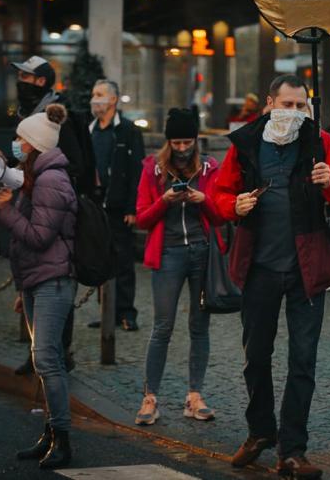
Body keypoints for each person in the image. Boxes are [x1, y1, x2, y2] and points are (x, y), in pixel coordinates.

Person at [213, 74, 330, 479]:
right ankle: (260, 431)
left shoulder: (320, 142)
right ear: (269, 103)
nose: (293, 113)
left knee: (303, 360)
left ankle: (292, 449)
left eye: (300, 106)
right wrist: (234, 205)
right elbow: (219, 195)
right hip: (259, 265)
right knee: (256, 355)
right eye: (286, 105)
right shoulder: (245, 143)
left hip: (306, 268)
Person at [0, 56, 94, 376]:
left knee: (55, 275)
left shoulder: (58, 115)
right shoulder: (29, 113)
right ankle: (41, 353)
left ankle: (58, 354)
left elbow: (74, 165)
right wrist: (7, 162)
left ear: (41, 82)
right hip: (34, 203)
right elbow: (30, 161)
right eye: (18, 75)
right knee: (33, 276)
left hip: (55, 210)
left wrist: (39, 184)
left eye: (26, 76)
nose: (20, 81)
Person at [0, 104, 78, 469]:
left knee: (47, 359)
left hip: (53, 279)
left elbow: (39, 237)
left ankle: (62, 439)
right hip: (38, 278)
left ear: (33, 144)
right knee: (44, 359)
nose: (16, 143)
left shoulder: (50, 180)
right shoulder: (37, 176)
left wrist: (6, 212)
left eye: (20, 139)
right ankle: (50, 432)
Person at [133, 108, 226, 426]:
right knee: (162, 327)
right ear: (168, 142)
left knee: (200, 327)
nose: (183, 148)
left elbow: (220, 217)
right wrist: (165, 201)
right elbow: (142, 218)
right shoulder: (152, 170)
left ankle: (195, 395)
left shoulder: (210, 168)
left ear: (196, 141)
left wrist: (203, 199)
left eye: (188, 141)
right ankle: (150, 398)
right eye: (177, 142)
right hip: (168, 253)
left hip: (201, 252)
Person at [87, 79, 144, 331]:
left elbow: (137, 172)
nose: (94, 99)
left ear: (113, 99)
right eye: (93, 94)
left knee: (123, 260)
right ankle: (107, 311)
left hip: (119, 208)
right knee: (101, 259)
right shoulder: (90, 130)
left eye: (99, 94)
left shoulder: (128, 131)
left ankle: (126, 312)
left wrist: (133, 207)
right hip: (95, 207)